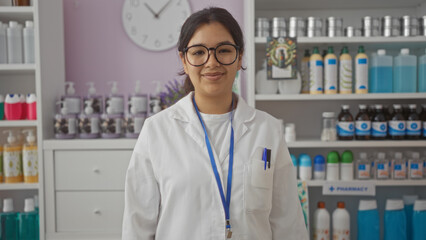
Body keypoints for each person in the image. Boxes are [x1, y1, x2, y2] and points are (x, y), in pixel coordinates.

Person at [122, 7, 308, 240]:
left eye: (224, 50)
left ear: (240, 58)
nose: (212, 62)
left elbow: (288, 223)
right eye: (199, 52)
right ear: (184, 60)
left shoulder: (267, 130)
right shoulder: (156, 131)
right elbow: (137, 227)